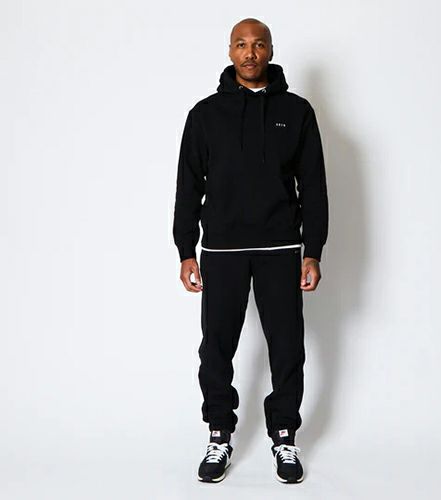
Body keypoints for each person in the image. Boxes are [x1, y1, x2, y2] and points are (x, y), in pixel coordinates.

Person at [172, 17, 329, 484]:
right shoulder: (205, 115)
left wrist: (313, 249)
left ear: (271, 50)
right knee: (216, 347)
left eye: (259, 44)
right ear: (230, 51)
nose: (250, 53)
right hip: (222, 251)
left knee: (287, 346)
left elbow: (314, 186)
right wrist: (185, 249)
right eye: (241, 44)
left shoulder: (297, 112)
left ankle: (284, 435)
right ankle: (219, 432)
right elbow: (188, 186)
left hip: (281, 248)